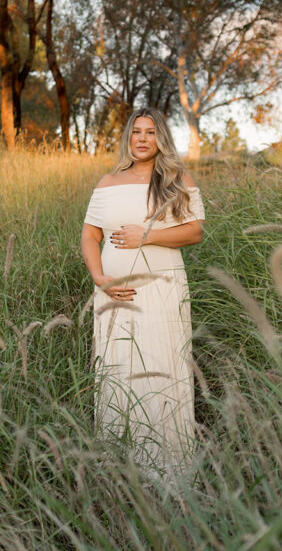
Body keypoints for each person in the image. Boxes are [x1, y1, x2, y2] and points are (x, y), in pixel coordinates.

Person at [80, 107, 205, 473]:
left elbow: (195, 231)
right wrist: (99, 278)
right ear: (128, 138)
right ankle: (119, 464)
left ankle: (167, 464)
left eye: (150, 132)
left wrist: (147, 235)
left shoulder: (178, 179)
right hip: (113, 294)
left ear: (160, 138)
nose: (142, 138)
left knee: (161, 363)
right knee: (118, 366)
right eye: (136, 132)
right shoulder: (107, 183)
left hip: (162, 289)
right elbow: (90, 235)